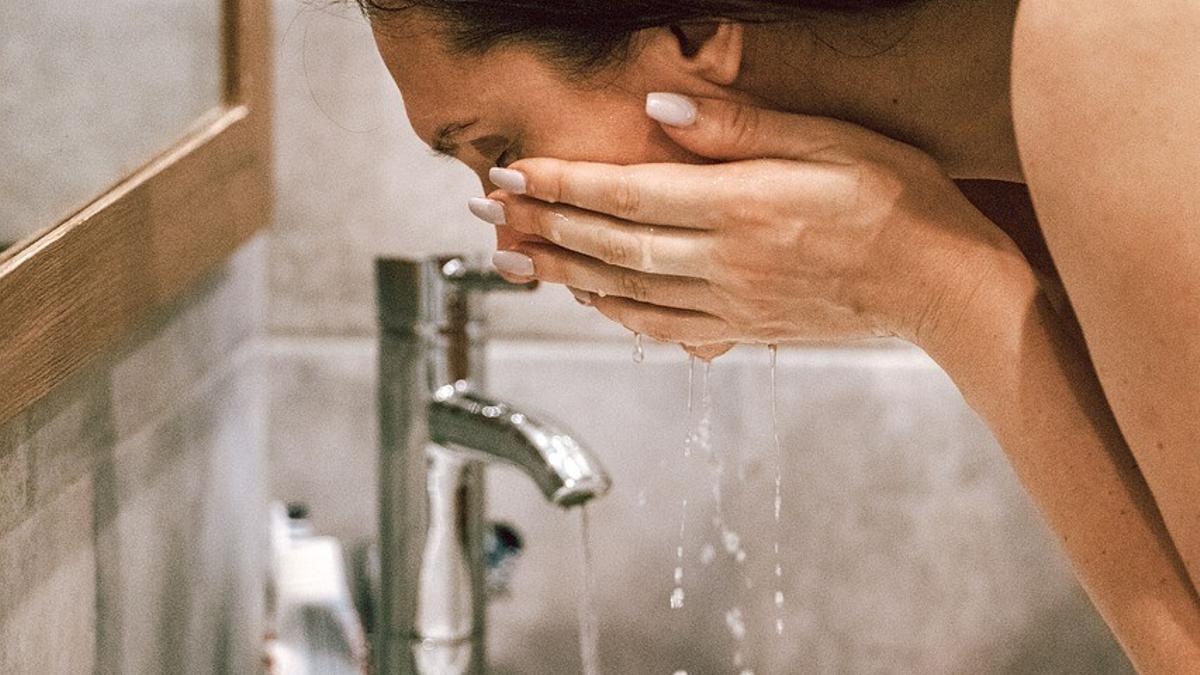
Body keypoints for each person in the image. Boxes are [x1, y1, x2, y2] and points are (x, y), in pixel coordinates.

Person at [358, 0, 1200, 669]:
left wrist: (944, 287)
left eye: (501, 148)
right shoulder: (1031, 153)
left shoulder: (1122, 42)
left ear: (695, 30)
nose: (518, 243)